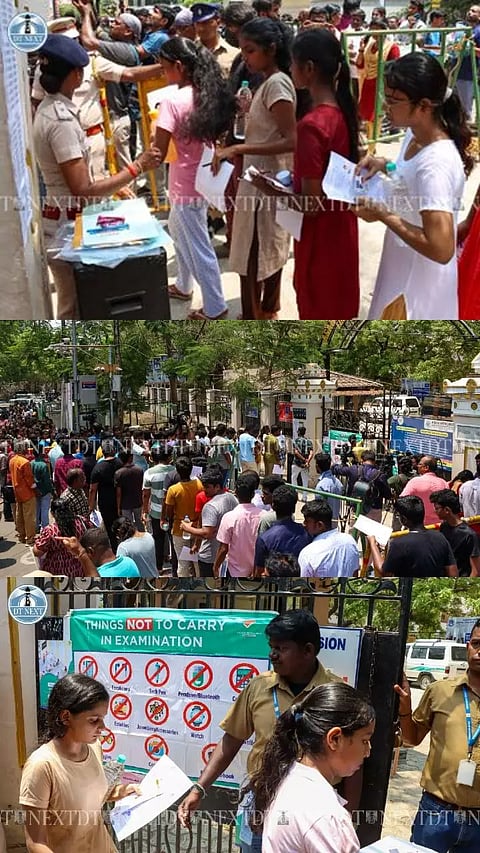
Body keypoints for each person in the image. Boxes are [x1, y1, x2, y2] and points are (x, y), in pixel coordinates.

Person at [177, 609, 343, 851]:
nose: (272, 655)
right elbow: (230, 742)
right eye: (271, 647)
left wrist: (347, 814)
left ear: (308, 650)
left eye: (281, 648)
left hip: (313, 811)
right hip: (261, 805)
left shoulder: (334, 693)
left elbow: (353, 761)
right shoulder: (259, 687)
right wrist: (199, 788)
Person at [32, 34, 162, 318]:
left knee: (83, 303)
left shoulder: (52, 109)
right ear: (78, 75)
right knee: (75, 307)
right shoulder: (60, 121)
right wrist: (136, 167)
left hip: (67, 219)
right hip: (66, 226)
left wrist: (115, 186)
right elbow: (82, 189)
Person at [354, 53, 473, 320]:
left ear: (424, 106)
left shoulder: (436, 165)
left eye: (394, 101)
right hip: (400, 268)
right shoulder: (415, 133)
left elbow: (441, 248)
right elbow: (409, 177)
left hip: (417, 287)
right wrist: (385, 164)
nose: (386, 106)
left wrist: (384, 215)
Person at [252, 27, 360, 319]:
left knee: (319, 312)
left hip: (321, 239)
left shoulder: (312, 126)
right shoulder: (341, 113)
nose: (289, 69)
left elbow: (312, 206)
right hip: (342, 228)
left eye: (292, 63)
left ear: (308, 69)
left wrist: (273, 190)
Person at [213, 18, 297, 320]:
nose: (245, 58)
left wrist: (239, 148)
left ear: (271, 49)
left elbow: (291, 140)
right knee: (262, 247)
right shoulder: (266, 83)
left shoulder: (277, 84)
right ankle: (266, 309)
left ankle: (258, 314)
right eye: (243, 51)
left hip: (267, 181)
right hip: (258, 178)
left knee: (257, 251)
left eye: (250, 51)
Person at [154, 37, 236, 320]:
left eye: (165, 69)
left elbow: (158, 151)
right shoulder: (210, 93)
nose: (164, 75)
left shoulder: (172, 101)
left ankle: (215, 306)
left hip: (185, 183)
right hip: (202, 179)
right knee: (178, 230)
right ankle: (183, 284)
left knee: (199, 246)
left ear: (179, 66)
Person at [19, 673, 139, 853]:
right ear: (66, 717)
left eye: (103, 718)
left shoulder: (94, 748)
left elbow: (91, 793)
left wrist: (122, 791)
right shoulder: (42, 765)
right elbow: (36, 843)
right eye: (94, 720)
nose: (103, 727)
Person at [252, 682, 375, 853]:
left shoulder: (288, 776)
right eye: (364, 740)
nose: (368, 751)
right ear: (335, 739)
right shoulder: (327, 816)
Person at [395, 621, 480, 852]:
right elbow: (412, 740)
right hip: (437, 811)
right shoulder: (440, 691)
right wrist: (405, 708)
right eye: (476, 643)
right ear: (467, 646)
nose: (479, 651)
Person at [368, 495, 458, 577]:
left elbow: (384, 572)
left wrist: (373, 544)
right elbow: (453, 572)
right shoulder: (440, 537)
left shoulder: (399, 544)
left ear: (404, 519)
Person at [180, 466, 239, 576]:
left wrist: (187, 528)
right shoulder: (232, 498)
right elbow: (202, 525)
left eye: (207, 487)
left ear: (217, 487)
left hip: (210, 556)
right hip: (228, 555)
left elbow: (207, 532)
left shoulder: (211, 506)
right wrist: (197, 544)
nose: (204, 490)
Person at [356, 22, 400, 146]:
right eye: (372, 28)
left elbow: (393, 68)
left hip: (380, 84)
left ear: (383, 30)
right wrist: (361, 48)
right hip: (366, 81)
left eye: (377, 29)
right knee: (367, 116)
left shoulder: (391, 47)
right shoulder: (369, 44)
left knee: (376, 116)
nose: (373, 31)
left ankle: (372, 146)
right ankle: (371, 145)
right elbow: (359, 63)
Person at [213, 473, 264, 577]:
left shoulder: (229, 517)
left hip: (234, 572)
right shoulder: (264, 516)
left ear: (235, 493)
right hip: (257, 572)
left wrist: (215, 566)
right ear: (253, 494)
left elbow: (223, 548)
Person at [254, 484, 310, 576]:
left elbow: (259, 572)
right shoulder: (307, 534)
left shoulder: (264, 539)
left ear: (273, 505)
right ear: (294, 507)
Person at [164, 455, 202, 577]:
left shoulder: (173, 490)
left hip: (179, 529)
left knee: (183, 563)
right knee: (196, 561)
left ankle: (183, 590)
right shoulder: (199, 484)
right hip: (197, 528)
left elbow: (169, 512)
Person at [299, 500, 359, 577]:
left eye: (307, 521)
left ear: (320, 525)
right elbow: (355, 573)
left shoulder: (308, 554)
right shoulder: (350, 541)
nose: (304, 524)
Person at [430, 489, 480, 577]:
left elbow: (476, 570)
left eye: (437, 508)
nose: (435, 511)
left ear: (447, 510)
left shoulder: (470, 535)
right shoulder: (444, 527)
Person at [142, 443, 175, 572]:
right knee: (173, 539)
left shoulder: (149, 473)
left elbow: (146, 494)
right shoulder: (175, 470)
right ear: (169, 457)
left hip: (155, 511)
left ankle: (159, 567)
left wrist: (144, 511)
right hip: (172, 511)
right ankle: (174, 566)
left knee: (158, 539)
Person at [33, 498, 87, 577]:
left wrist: (36, 543)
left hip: (56, 570)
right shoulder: (81, 522)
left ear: (52, 513)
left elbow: (37, 552)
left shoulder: (50, 531)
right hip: (80, 567)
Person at [61, 525, 141, 577]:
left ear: (91, 551)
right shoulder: (130, 562)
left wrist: (81, 553)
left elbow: (94, 591)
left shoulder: (101, 575)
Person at [399, 455, 448, 526]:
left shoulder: (415, 481)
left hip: (421, 527)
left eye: (420, 464)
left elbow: (402, 501)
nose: (417, 466)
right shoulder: (443, 483)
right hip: (440, 526)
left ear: (426, 468)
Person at [9, 440, 37, 546]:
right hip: (27, 492)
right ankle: (30, 538)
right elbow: (29, 479)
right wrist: (35, 489)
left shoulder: (12, 460)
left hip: (17, 491)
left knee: (19, 514)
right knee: (29, 516)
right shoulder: (25, 462)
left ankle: (21, 536)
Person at [114, 451, 144, 530]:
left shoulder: (118, 473)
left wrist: (118, 508)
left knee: (128, 525)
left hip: (125, 504)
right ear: (131, 458)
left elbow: (118, 493)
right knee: (139, 522)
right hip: (138, 501)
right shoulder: (139, 470)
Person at [314, 452, 343, 524]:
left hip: (324, 526)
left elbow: (318, 510)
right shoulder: (338, 483)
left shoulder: (321, 486)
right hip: (334, 524)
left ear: (317, 466)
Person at [31, 445, 54, 531]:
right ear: (41, 452)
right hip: (44, 490)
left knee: (36, 509)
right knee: (44, 510)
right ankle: (45, 528)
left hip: (34, 490)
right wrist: (51, 490)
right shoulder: (43, 465)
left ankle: (36, 527)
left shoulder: (31, 463)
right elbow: (46, 481)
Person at [291, 426, 314, 500]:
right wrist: (307, 461)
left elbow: (296, 452)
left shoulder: (296, 441)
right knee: (305, 481)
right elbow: (311, 453)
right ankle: (304, 497)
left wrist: (304, 459)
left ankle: (295, 495)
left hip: (297, 463)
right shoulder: (309, 441)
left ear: (298, 432)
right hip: (305, 465)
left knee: (294, 479)